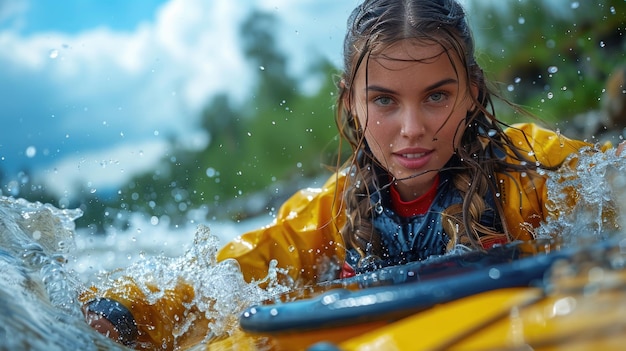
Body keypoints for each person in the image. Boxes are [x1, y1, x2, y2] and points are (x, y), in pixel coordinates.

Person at [79, 0, 622, 348]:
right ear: (352, 106)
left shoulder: (533, 167)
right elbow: (220, 279)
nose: (412, 128)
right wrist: (122, 308)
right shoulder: (329, 211)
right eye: (384, 101)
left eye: (437, 96)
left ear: (473, 94)